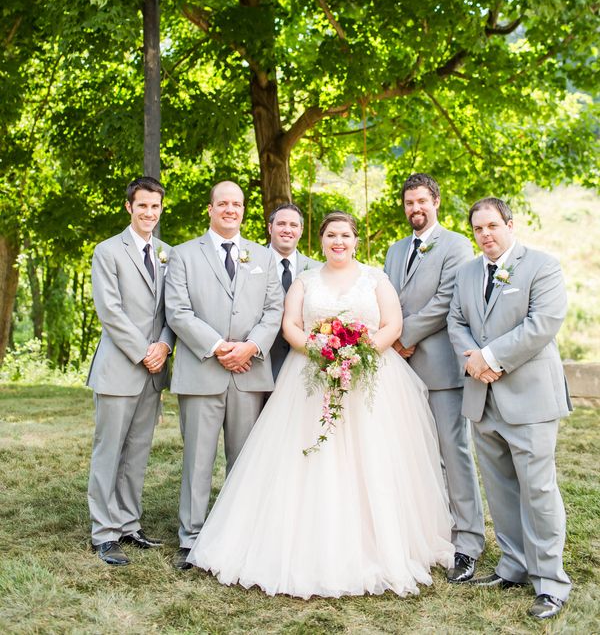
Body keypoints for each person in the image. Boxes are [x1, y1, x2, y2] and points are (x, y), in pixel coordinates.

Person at [187, 211, 454, 598]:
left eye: (345, 234)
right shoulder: (305, 281)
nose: (338, 241)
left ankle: (381, 544)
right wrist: (318, 348)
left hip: (369, 378)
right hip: (310, 377)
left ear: (356, 240)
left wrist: (359, 354)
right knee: (305, 455)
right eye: (331, 235)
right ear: (322, 240)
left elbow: (393, 325)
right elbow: (290, 325)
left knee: (373, 460)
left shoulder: (376, 278)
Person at [448, 197, 572, 621]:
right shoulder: (466, 273)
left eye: (492, 226)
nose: (485, 235)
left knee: (537, 490)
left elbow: (543, 323)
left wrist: (490, 357)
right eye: (478, 229)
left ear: (509, 224)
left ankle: (550, 582)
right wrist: (471, 359)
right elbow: (455, 320)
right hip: (482, 397)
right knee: (499, 487)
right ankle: (514, 566)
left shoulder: (542, 266)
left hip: (530, 398)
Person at [165, 181, 283, 570]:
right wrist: (219, 348)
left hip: (250, 372)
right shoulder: (182, 255)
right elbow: (178, 312)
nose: (231, 209)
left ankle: (239, 534)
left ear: (244, 210)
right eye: (223, 204)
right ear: (211, 209)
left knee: (245, 459)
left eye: (237, 204)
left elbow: (273, 311)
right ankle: (192, 537)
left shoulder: (263, 257)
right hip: (202, 371)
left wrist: (250, 347)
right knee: (198, 459)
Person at [384, 173, 485, 584]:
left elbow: (446, 301)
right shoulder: (393, 250)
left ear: (436, 201)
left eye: (422, 201)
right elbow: (386, 297)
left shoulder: (457, 245)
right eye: (409, 203)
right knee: (413, 454)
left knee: (452, 453)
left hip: (440, 368)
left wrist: (402, 336)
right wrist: (389, 339)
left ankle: (468, 542)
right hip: (399, 371)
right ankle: (428, 533)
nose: (415, 209)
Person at [87, 176, 173, 566]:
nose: (149, 213)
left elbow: (176, 309)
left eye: (155, 207)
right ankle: (103, 533)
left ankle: (128, 524)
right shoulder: (107, 252)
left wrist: (165, 346)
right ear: (129, 207)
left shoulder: (169, 253)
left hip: (154, 370)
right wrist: (143, 352)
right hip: (120, 367)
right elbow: (110, 312)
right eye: (143, 206)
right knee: (110, 451)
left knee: (137, 451)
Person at [267, 202, 320, 380]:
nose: (287, 230)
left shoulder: (317, 270)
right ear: (270, 228)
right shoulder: (251, 264)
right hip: (260, 364)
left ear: (301, 230)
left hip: (305, 366)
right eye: (281, 224)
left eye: (293, 225)